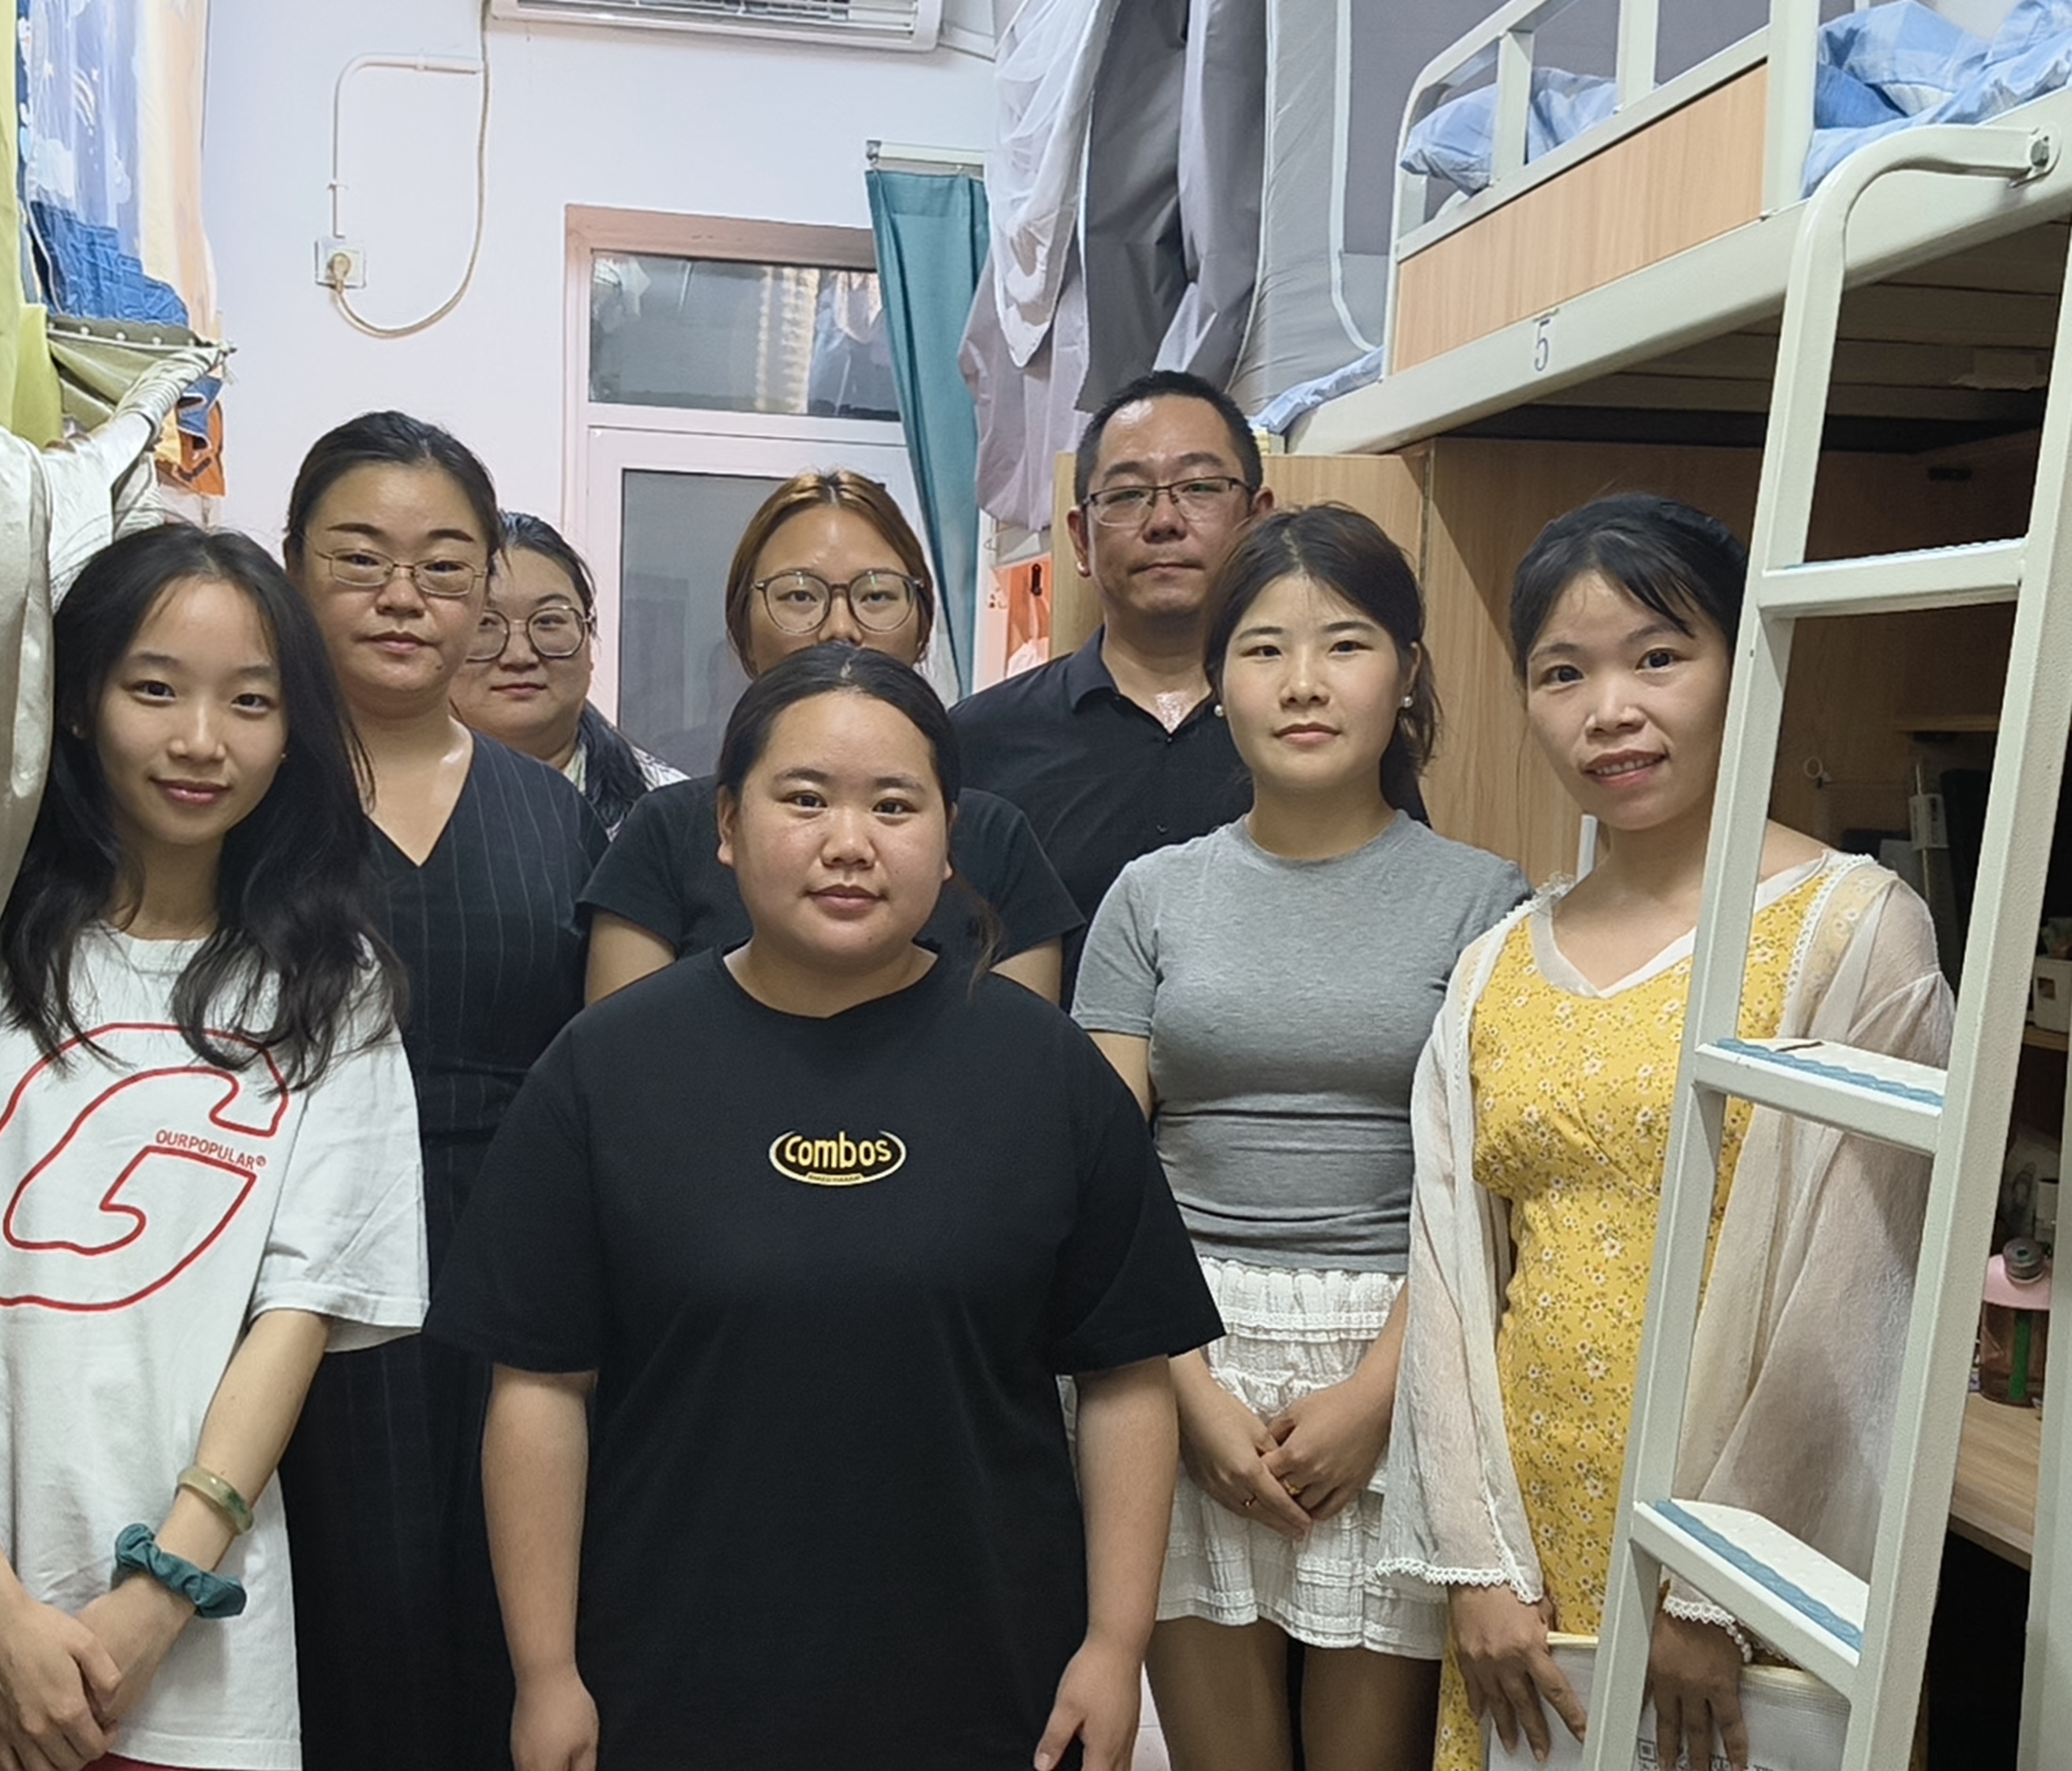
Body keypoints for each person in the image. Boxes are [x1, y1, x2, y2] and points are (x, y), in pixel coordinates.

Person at [426, 643, 1222, 1771]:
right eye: (803, 800)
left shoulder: (1044, 1071)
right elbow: (539, 1390)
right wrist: (547, 1671)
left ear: (949, 836)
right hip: (668, 1678)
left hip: (992, 1684)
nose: (849, 842)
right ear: (725, 824)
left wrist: (1113, 1641)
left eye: (894, 806)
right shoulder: (606, 1068)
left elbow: (1126, 1378)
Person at [0, 525, 425, 1771]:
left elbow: (296, 1313)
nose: (202, 740)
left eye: (250, 703)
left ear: (293, 731)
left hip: (193, 1651)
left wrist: (159, 1598)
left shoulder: (331, 986)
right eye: (155, 688)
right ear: (79, 701)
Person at [1379, 496, 1953, 1771]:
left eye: (1657, 656)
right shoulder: (1493, 967)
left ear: (1745, 665)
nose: (1610, 711)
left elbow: (1860, 1292)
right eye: (1561, 673)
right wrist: (1476, 1564)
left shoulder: (1851, 931)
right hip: (1527, 1556)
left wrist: (1719, 1586)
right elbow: (1449, 1281)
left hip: (1755, 1556)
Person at [1075, 507, 1530, 1771]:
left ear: (1407, 671)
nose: (1304, 683)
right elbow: (1100, 1186)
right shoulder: (1150, 896)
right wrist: (1187, 1395)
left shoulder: (1486, 902)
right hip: (1179, 1347)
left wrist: (1381, 1395)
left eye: (1345, 643)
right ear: (1218, 681)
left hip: (1401, 1355)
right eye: (1265, 649)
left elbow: (1481, 1197)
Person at [275, 413, 608, 1771]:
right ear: (291, 568)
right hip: (295, 1266)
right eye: (360, 558)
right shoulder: (246, 797)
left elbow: (604, 1070)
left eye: (444, 564)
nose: (403, 596)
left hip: (516, 1264)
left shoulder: (554, 812)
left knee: (520, 1625)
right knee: (333, 1618)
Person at [581, 469, 1079, 1004]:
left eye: (877, 595)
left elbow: (1023, 1047)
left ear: (922, 626)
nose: (840, 628)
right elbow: (628, 1045)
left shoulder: (997, 838)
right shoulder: (666, 831)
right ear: (742, 626)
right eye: (799, 595)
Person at [954, 369, 1282, 1000]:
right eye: (1128, 495)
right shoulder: (979, 741)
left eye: (1200, 487)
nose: (1164, 520)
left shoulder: (1314, 733)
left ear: (1258, 519)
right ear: (1081, 538)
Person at [452, 511, 683, 836]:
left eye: (548, 621)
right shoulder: (382, 801)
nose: (520, 656)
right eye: (485, 623)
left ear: (589, 638)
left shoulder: (672, 813)